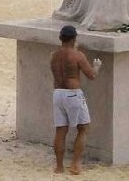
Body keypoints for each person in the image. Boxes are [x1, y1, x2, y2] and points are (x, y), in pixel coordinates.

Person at [50, 25, 102, 175]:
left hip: (57, 93)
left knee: (60, 130)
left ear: (60, 38)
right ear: (74, 39)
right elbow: (91, 75)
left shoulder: (53, 55)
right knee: (83, 127)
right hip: (72, 94)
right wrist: (96, 66)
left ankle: (59, 167)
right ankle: (75, 164)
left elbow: (64, 62)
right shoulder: (77, 55)